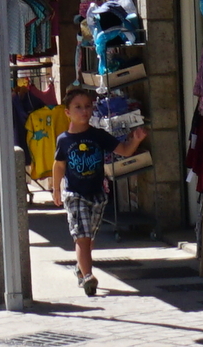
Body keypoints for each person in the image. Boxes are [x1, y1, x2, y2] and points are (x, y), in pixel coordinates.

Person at [50, 88, 139, 298]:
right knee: (82, 237)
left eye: (88, 106)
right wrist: (56, 189)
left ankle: (81, 269)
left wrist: (135, 139)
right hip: (74, 194)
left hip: (98, 195)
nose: (84, 111)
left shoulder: (99, 135)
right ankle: (88, 276)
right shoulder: (64, 140)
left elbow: (124, 151)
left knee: (88, 239)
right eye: (78, 107)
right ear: (67, 112)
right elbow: (59, 165)